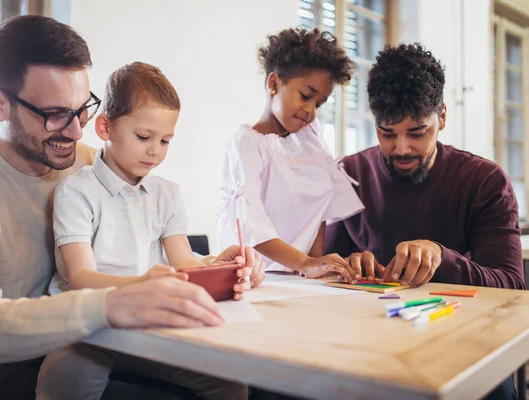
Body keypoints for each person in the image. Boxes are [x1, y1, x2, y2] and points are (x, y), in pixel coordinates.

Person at [0, 15, 263, 400]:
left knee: (241, 377)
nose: (76, 130)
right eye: (55, 113)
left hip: (99, 333)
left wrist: (218, 267)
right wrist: (113, 304)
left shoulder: (92, 161)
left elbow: (153, 255)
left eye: (82, 108)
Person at [36, 62, 261, 400]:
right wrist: (145, 283)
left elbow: (185, 264)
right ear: (105, 127)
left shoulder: (167, 194)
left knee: (231, 381)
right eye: (144, 137)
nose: (155, 151)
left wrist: (225, 271)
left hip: (151, 326)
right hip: (89, 328)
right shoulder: (76, 192)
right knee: (66, 376)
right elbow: (81, 277)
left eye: (166, 140)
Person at [324, 43, 524, 399]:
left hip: (463, 343)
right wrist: (348, 266)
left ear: (442, 117)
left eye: (417, 132)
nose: (401, 148)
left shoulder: (485, 181)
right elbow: (326, 271)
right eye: (387, 133)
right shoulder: (347, 174)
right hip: (368, 342)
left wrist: (441, 258)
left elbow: (510, 286)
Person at [217, 27, 364, 281]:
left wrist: (314, 264)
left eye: (318, 103)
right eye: (306, 96)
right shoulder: (247, 145)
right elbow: (252, 224)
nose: (311, 111)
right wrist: (306, 262)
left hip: (300, 278)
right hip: (254, 278)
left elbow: (321, 206)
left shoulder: (310, 139)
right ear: (273, 83)